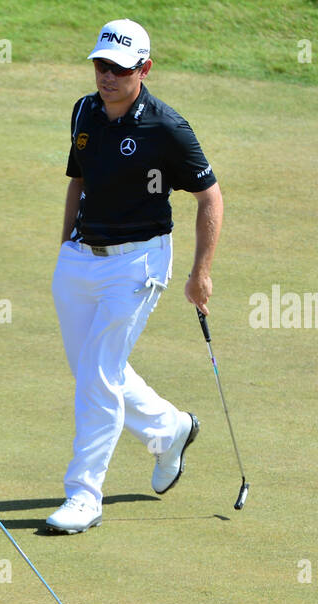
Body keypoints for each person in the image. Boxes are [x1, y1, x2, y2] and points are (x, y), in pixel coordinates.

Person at [46, 18, 223, 534]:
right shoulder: (83, 111)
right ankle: (170, 430)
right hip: (80, 260)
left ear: (143, 69)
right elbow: (78, 181)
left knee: (98, 375)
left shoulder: (167, 127)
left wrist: (200, 273)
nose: (107, 76)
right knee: (95, 370)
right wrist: (64, 248)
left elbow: (209, 197)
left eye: (120, 69)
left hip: (138, 264)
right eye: (101, 65)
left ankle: (84, 495)